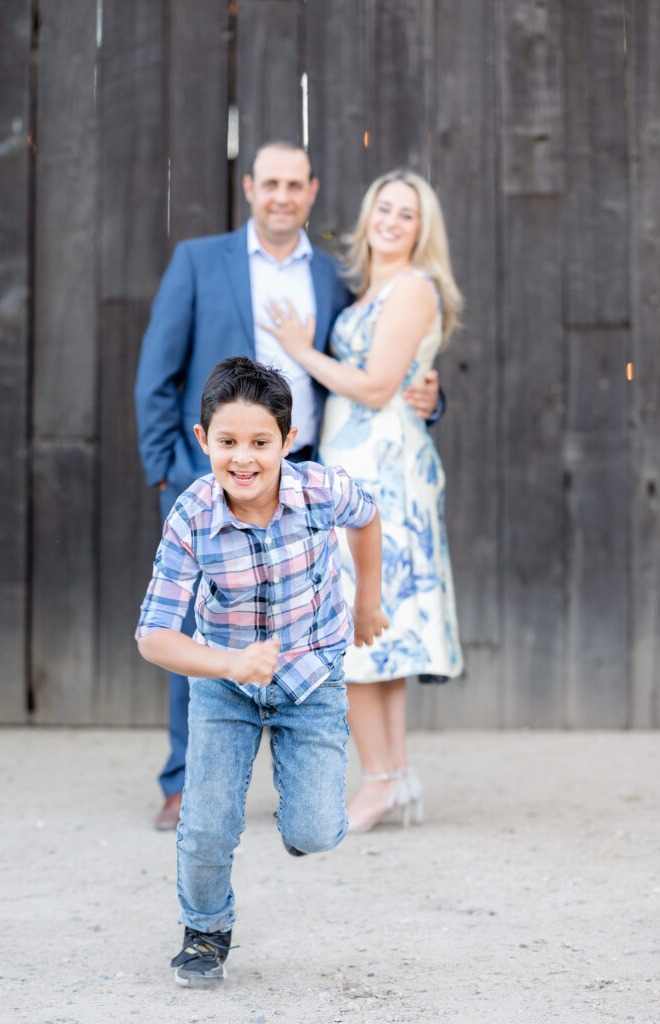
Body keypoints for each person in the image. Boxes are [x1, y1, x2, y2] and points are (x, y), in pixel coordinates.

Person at [134, 142, 444, 828]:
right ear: (249, 188)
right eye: (268, 182)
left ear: (311, 191)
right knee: (200, 625)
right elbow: (156, 373)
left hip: (305, 474)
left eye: (294, 185)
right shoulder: (198, 260)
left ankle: (304, 781)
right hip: (217, 470)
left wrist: (430, 395)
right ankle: (184, 783)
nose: (280, 195)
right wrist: (168, 471)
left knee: (305, 630)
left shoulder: (335, 277)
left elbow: (380, 365)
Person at [135, 357, 387, 985]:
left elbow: (369, 516)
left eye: (259, 442)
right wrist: (229, 663)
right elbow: (154, 636)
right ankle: (205, 933)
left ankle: (301, 808)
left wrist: (366, 601)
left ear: (288, 439)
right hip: (225, 685)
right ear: (203, 441)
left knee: (317, 831)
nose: (242, 459)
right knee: (208, 825)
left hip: (311, 676)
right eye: (226, 442)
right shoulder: (191, 516)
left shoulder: (320, 490)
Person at [263, 168, 464, 833]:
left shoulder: (410, 289)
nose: (391, 221)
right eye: (384, 207)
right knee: (370, 630)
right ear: (366, 215)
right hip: (359, 465)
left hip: (385, 473)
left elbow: (378, 386)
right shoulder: (371, 289)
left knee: (361, 625)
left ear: (420, 228)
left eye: (407, 214)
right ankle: (394, 776)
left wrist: (298, 350)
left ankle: (377, 782)